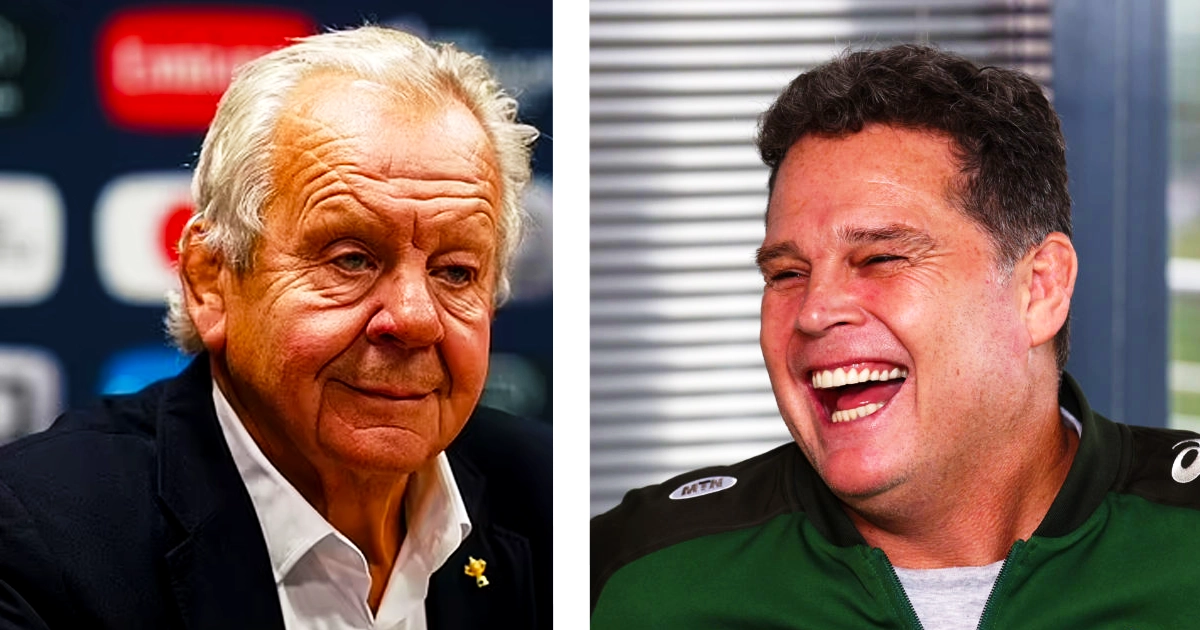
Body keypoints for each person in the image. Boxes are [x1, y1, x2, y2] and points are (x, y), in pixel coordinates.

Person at [591, 44, 1200, 628]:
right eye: (786, 273)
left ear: (1039, 289)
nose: (813, 311)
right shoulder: (632, 575)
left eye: (881, 257)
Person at [0, 26, 551, 629]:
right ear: (211, 280)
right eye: (351, 260)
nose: (416, 318)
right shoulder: (39, 541)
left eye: (455, 272)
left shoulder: (558, 504)